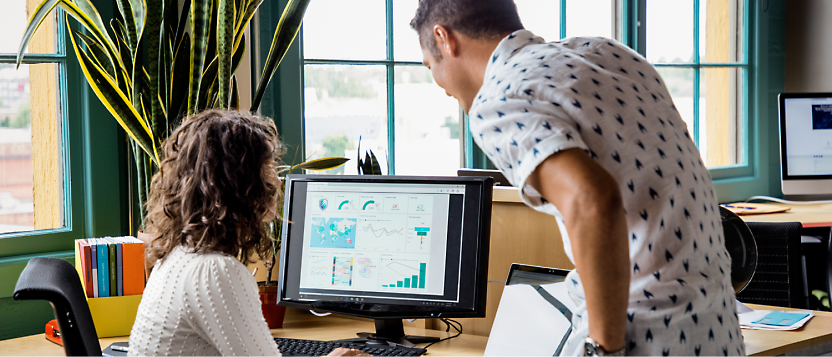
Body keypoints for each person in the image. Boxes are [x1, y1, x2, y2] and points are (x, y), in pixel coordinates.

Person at [410, 1, 745, 356]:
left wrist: (603, 351)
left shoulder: (498, 98)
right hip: (717, 328)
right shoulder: (607, 54)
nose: (442, 87)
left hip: (643, 338)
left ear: (444, 39)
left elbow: (592, 200)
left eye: (431, 66)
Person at [128, 110, 372, 357]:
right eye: (267, 168)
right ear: (239, 183)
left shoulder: (176, 257)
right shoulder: (214, 271)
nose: (276, 180)